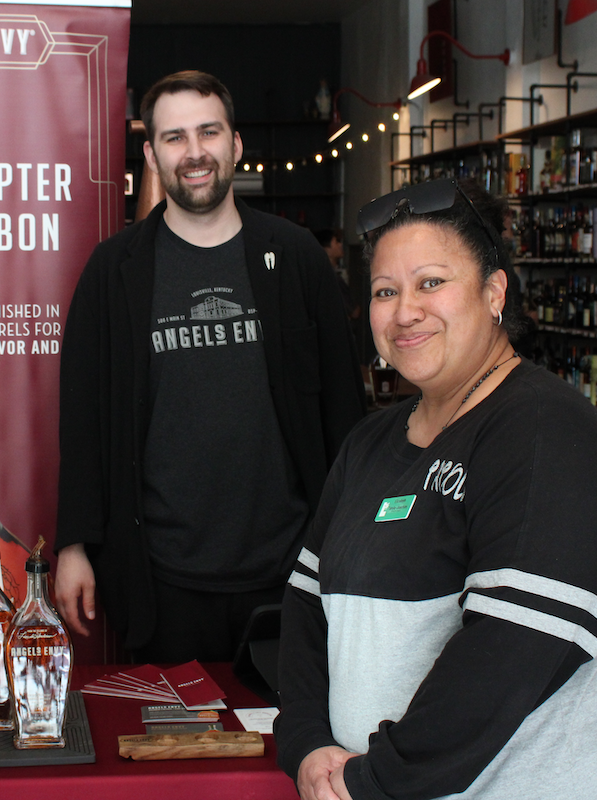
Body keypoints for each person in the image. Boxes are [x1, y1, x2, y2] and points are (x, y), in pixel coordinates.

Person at [274, 178, 597, 800]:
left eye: (431, 283)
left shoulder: (546, 434)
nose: (405, 310)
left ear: (494, 292)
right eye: (386, 291)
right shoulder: (370, 443)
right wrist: (306, 742)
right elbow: (307, 604)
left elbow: (508, 657)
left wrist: (376, 780)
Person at [54, 70, 366, 663]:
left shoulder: (296, 258)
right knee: (174, 753)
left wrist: (351, 545)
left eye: (208, 132)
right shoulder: (114, 270)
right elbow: (84, 416)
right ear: (150, 154)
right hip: (159, 581)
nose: (194, 153)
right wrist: (73, 545)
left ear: (235, 144)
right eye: (174, 138)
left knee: (290, 750)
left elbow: (343, 411)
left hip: (292, 575)